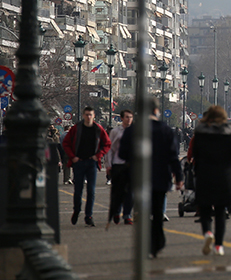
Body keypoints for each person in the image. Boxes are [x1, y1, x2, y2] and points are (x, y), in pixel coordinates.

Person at [119, 98, 184, 258]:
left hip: (138, 177)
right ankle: (157, 242)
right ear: (156, 111)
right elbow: (173, 156)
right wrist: (179, 177)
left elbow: (122, 154)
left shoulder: (132, 131)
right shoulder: (166, 130)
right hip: (161, 177)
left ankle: (145, 242)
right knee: (157, 211)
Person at [191, 105, 231, 256]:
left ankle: (207, 232)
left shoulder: (201, 132)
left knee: (204, 208)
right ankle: (218, 246)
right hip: (224, 174)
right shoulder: (230, 132)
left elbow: (195, 153)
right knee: (221, 211)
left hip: (205, 174)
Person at [62, 107, 111, 227]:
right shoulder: (76, 128)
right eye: (87, 114)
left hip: (92, 163)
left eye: (91, 115)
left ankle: (88, 215)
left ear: (94, 116)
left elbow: (107, 143)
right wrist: (72, 157)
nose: (89, 117)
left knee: (91, 191)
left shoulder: (98, 129)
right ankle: (77, 210)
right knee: (78, 190)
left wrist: (98, 155)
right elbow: (66, 143)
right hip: (78, 162)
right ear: (83, 115)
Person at [104, 109, 135, 228]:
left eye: (131, 117)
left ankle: (127, 215)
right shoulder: (115, 132)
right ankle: (117, 211)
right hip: (118, 164)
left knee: (131, 192)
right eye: (127, 117)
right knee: (118, 191)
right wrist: (108, 165)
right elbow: (110, 149)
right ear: (122, 118)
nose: (129, 119)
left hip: (131, 165)